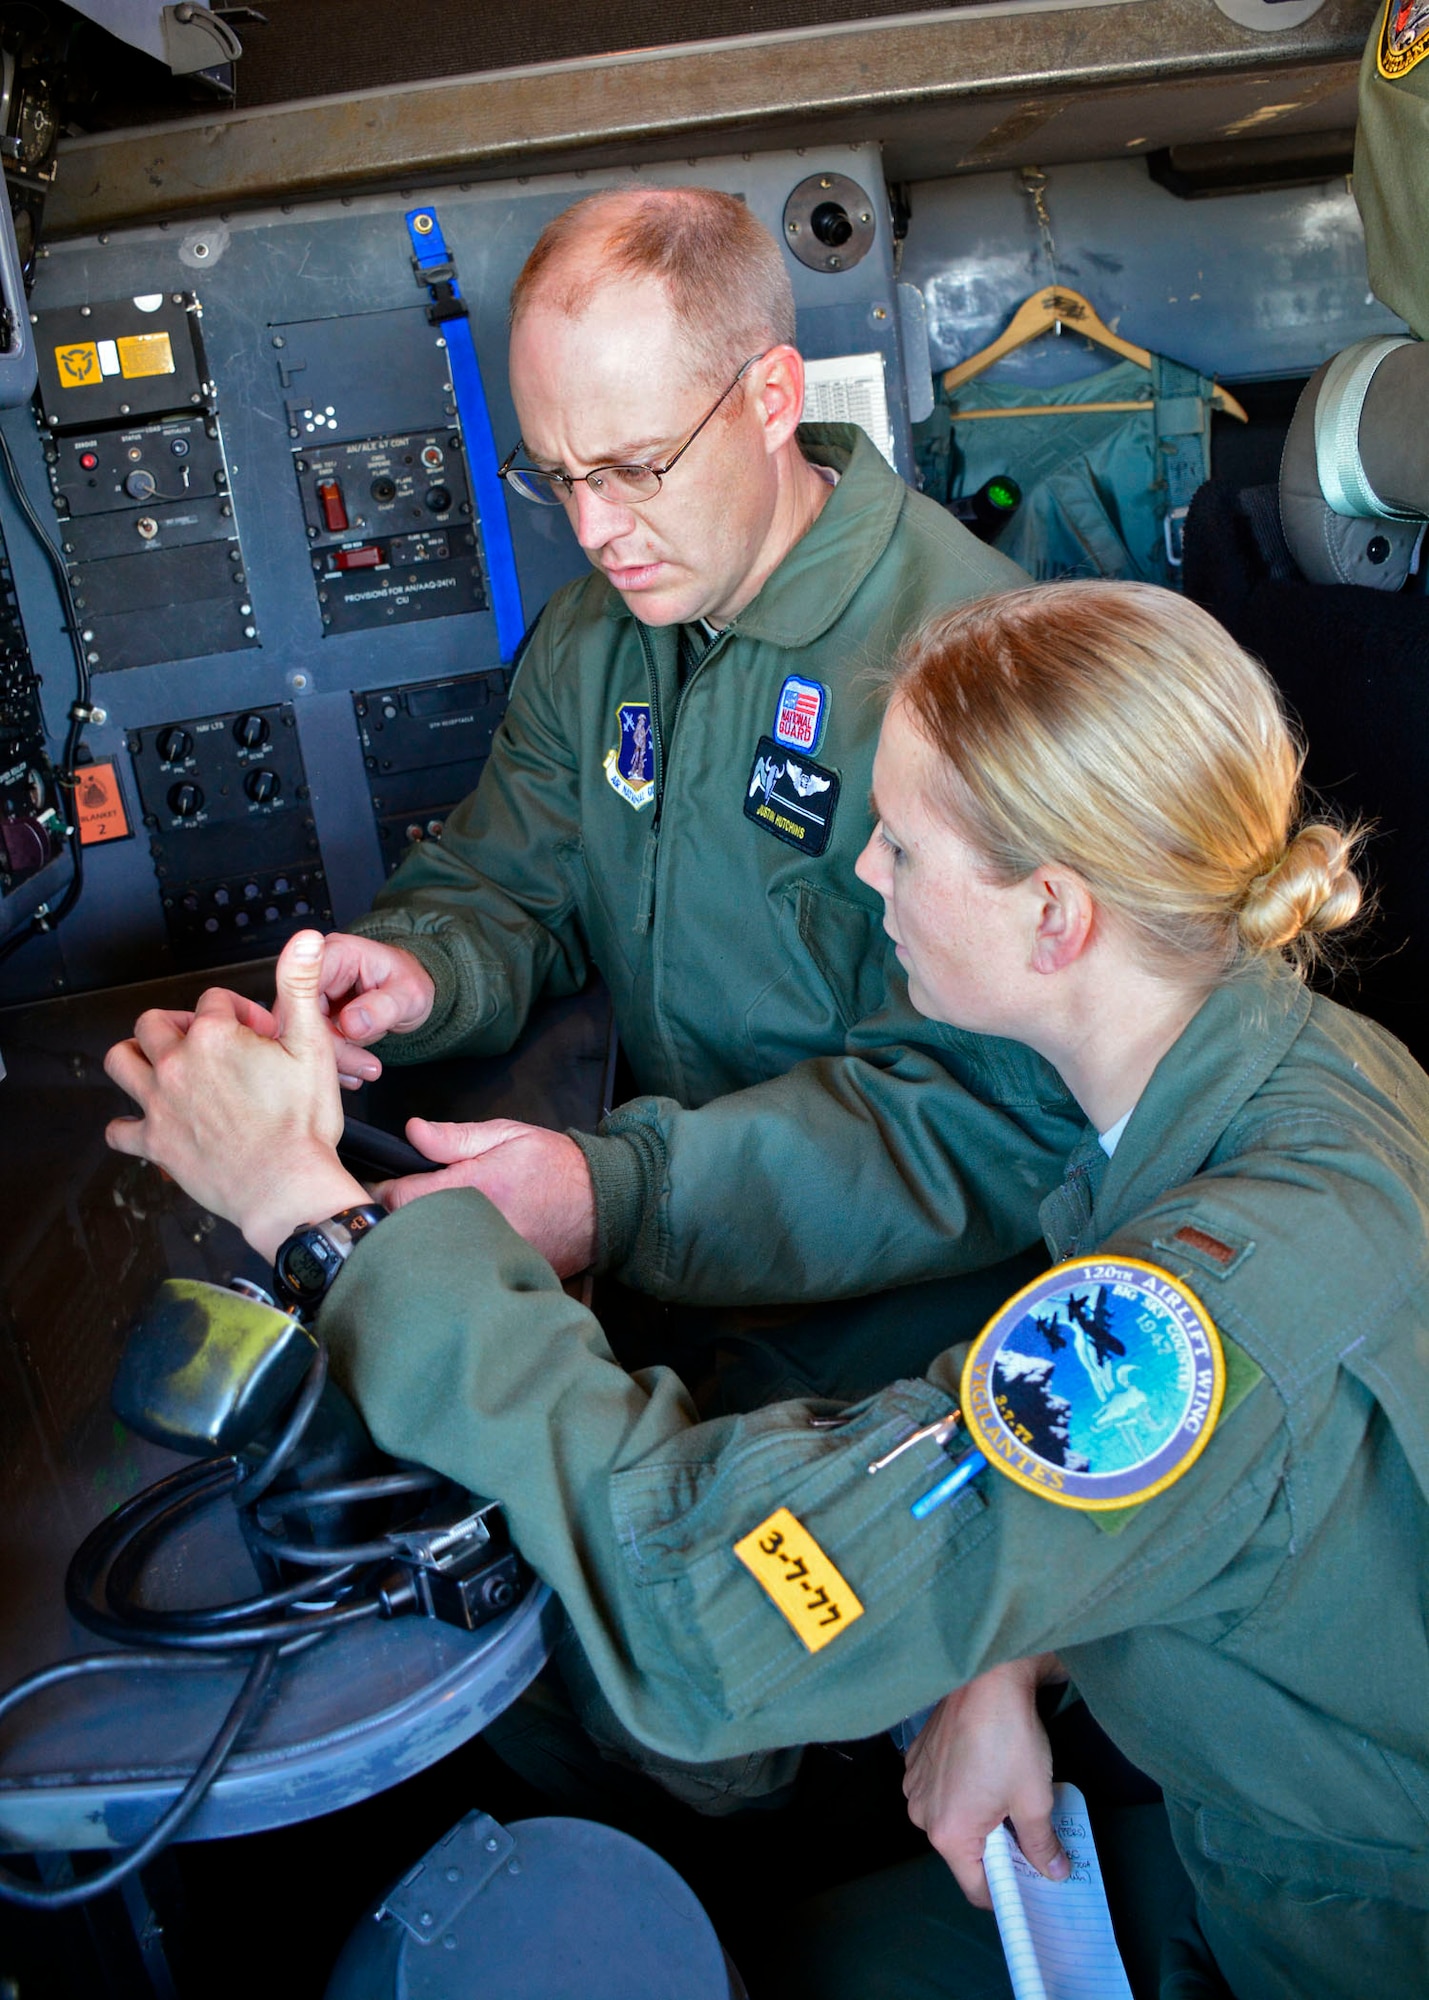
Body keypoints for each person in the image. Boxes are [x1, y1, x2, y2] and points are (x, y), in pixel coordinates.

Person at [103, 578, 1429, 1997]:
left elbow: (707, 1619)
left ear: (1054, 915)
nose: (867, 874)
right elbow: (1211, 1496)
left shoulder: (1201, 1311)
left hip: (1325, 1930)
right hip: (1238, 1777)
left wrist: (313, 1213)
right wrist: (1014, 1657)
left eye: (904, 848)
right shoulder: (1307, 1075)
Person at [311, 183, 1077, 1402]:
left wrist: (613, 1195)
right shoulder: (590, 638)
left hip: (911, 1341)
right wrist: (420, 972)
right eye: (556, 476)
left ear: (773, 397)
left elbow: (992, 1117)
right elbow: (511, 880)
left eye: (632, 467)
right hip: (668, 1262)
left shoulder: (975, 666)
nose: (595, 529)